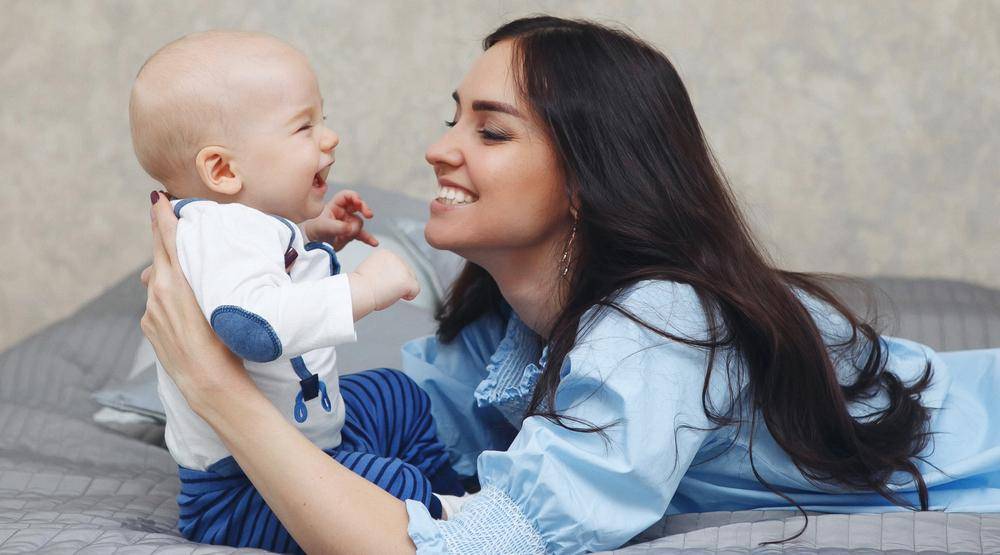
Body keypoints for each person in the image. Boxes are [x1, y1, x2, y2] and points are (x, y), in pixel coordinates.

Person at [139, 16, 1000, 555]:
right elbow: (420, 416)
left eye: (491, 131)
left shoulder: (655, 327)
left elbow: (456, 548)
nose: (441, 149)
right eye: (453, 118)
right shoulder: (510, 312)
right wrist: (225, 359)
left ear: (587, 178)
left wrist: (226, 399)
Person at [129, 31, 463, 553]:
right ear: (222, 170)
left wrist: (309, 234)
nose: (329, 138)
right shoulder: (221, 231)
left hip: (309, 434)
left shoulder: (233, 228)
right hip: (243, 491)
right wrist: (364, 287)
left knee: (396, 397)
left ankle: (450, 483)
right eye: (304, 126)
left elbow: (252, 270)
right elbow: (251, 326)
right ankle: (452, 511)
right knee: (391, 483)